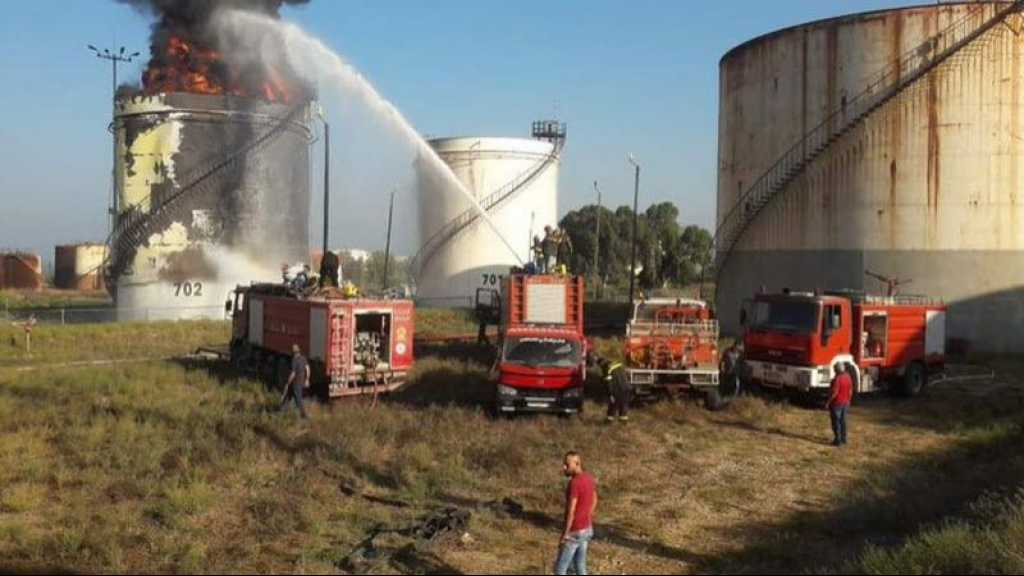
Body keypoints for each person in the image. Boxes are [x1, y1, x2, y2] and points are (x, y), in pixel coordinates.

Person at [555, 451, 598, 576]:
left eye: (567, 464)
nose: (564, 467)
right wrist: (588, 515)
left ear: (577, 464)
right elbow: (595, 499)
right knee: (580, 566)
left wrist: (565, 534)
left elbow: (571, 511)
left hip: (575, 532)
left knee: (560, 569)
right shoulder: (589, 478)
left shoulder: (574, 483)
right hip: (587, 528)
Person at [825, 362, 853, 446]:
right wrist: (849, 400)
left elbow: (834, 392)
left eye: (834, 369)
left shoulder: (837, 379)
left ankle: (838, 440)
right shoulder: (848, 376)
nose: (834, 371)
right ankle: (844, 439)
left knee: (836, 422)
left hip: (837, 404)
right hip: (845, 403)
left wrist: (828, 402)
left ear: (836, 370)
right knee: (843, 421)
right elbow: (850, 390)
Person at [281, 344, 310, 419]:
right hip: (301, 381)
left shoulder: (294, 360)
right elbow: (307, 368)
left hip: (296, 382)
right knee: (288, 395)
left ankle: (304, 415)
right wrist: (307, 379)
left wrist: (288, 382)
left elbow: (293, 373)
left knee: (298, 399)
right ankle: (282, 410)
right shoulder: (303, 358)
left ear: (293, 353)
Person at [600, 357, 631, 423]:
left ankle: (609, 420)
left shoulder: (607, 368)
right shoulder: (619, 364)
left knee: (613, 404)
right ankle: (623, 420)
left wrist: (610, 394)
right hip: (626, 388)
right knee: (624, 404)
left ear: (602, 363)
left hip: (617, 389)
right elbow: (627, 375)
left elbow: (609, 383)